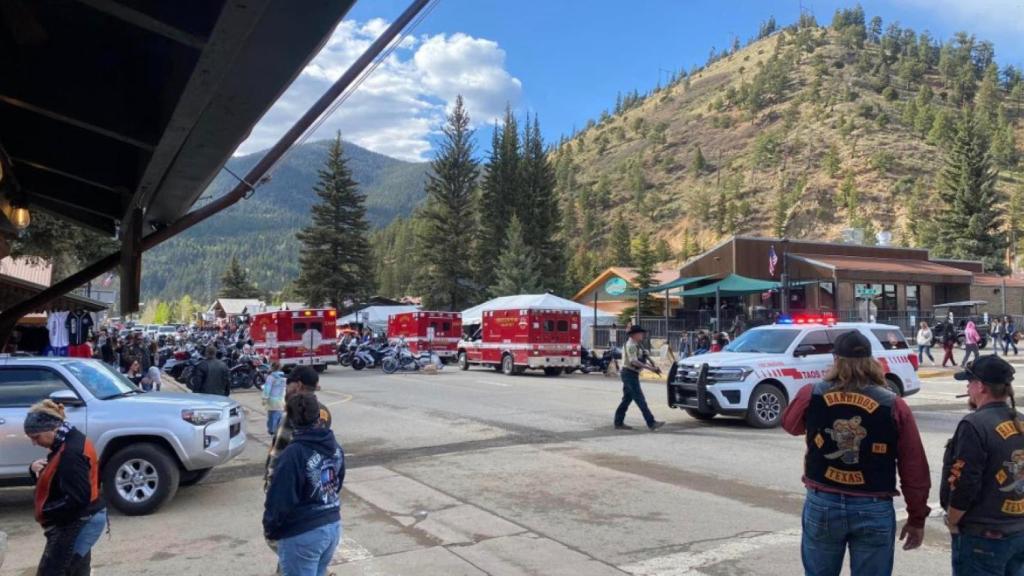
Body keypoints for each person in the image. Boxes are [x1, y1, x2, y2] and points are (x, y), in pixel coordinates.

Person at [781, 331, 930, 576]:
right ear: (872, 362)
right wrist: (917, 517)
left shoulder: (812, 393)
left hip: (823, 501)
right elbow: (914, 468)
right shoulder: (894, 405)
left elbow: (790, 424)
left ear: (835, 360)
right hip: (873, 505)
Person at [942, 355, 1024, 574]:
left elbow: (965, 481)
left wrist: (952, 519)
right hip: (1017, 531)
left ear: (981, 386)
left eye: (969, 382)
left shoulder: (974, 425)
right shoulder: (1020, 420)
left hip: (984, 537)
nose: (968, 388)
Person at [263, 393, 344, 576]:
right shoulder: (335, 447)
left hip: (303, 532)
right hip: (332, 525)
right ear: (318, 416)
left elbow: (281, 498)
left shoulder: (294, 454)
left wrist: (271, 527)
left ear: (290, 420)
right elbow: (337, 482)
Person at [25, 400, 107, 575]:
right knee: (76, 570)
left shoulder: (71, 452)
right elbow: (63, 481)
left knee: (55, 571)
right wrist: (35, 469)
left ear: (52, 429)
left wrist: (46, 512)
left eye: (36, 437)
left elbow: (77, 498)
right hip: (86, 518)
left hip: (80, 520)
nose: (34, 442)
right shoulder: (69, 441)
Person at [264, 366, 333, 491]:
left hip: (290, 487)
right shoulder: (324, 412)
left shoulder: (293, 414)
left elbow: (278, 454)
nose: (286, 390)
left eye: (288, 386)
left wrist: (270, 487)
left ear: (298, 385)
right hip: (315, 486)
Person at [613, 325, 665, 432]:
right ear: (634, 335)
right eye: (640, 333)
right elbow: (634, 361)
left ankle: (618, 422)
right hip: (629, 374)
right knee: (640, 399)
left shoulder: (637, 345)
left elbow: (640, 358)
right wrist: (651, 368)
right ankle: (651, 422)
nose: (642, 335)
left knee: (627, 399)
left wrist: (645, 356)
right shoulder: (631, 345)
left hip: (631, 373)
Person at [262, 362, 287, 436]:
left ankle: (272, 430)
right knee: (279, 415)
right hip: (281, 399)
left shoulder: (270, 377)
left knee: (272, 416)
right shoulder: (284, 377)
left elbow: (267, 389)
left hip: (272, 400)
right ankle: (278, 429)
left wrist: (264, 398)